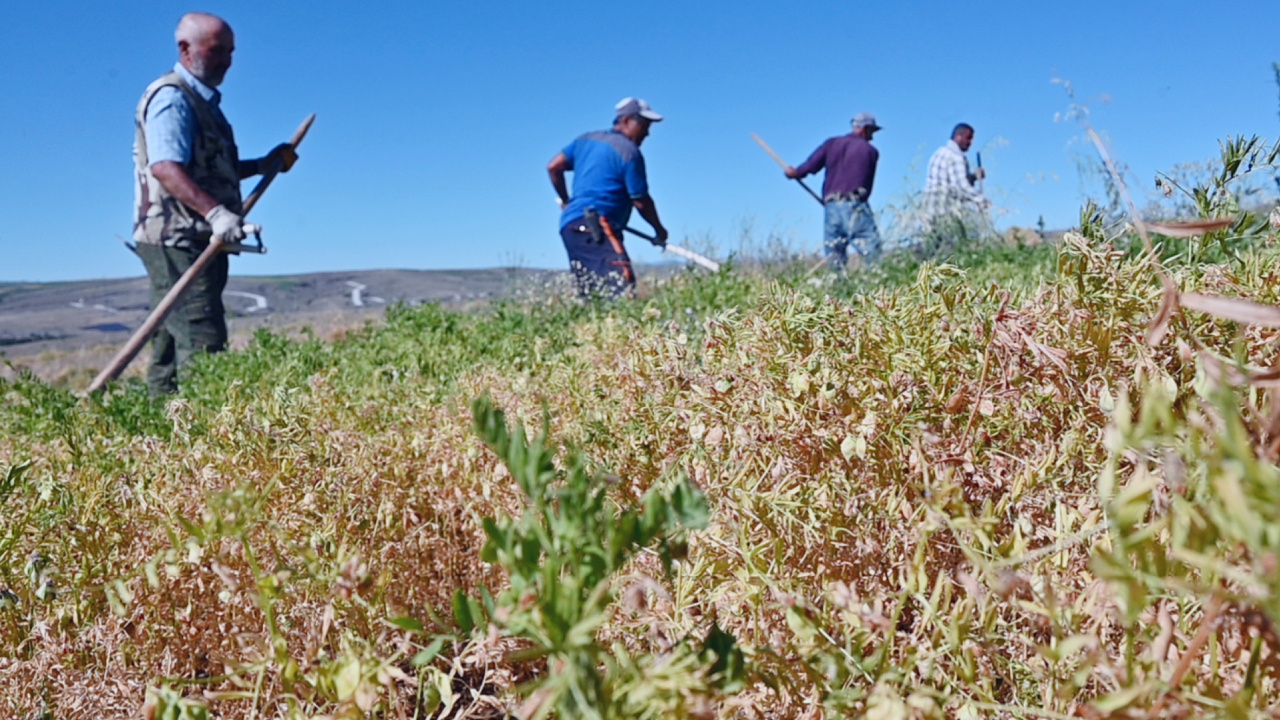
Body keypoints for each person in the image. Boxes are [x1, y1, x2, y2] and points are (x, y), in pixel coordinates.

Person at [132, 12, 296, 394]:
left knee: (172, 341)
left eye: (230, 52)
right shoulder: (173, 98)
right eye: (217, 50)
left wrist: (262, 166)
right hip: (176, 238)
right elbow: (166, 168)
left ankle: (159, 430)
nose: (226, 60)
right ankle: (203, 433)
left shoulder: (206, 106)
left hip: (197, 237)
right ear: (185, 49)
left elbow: (208, 170)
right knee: (201, 335)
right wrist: (216, 212)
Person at [547, 97, 669, 298]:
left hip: (571, 227)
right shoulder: (628, 152)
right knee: (622, 289)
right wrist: (659, 230)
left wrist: (566, 202)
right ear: (628, 120)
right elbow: (640, 200)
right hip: (596, 225)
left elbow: (553, 166)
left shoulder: (585, 141)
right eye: (645, 126)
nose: (647, 133)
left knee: (595, 294)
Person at [786, 112, 882, 271]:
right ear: (865, 130)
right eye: (872, 132)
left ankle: (837, 292)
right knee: (872, 253)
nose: (872, 137)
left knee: (835, 258)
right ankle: (875, 289)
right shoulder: (870, 151)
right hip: (855, 206)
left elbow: (809, 166)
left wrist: (794, 172)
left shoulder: (831, 144)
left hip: (832, 208)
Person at [920, 123, 991, 252]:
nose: (971, 142)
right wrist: (981, 200)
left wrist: (974, 176)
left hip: (929, 209)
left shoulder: (939, 153)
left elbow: (951, 181)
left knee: (932, 249)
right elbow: (960, 186)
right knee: (952, 249)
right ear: (958, 137)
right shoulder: (956, 157)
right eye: (968, 138)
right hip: (945, 211)